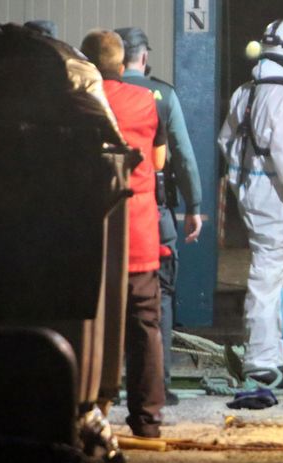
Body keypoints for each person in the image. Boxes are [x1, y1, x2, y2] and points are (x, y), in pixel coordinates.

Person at [217, 18, 283, 386]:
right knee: (269, 279)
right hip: (278, 200)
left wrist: (247, 179)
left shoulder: (246, 91)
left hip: (255, 193)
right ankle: (261, 362)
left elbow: (225, 142)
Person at [80, 29, 167, 437]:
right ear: (123, 63)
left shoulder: (77, 104)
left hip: (90, 233)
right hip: (139, 233)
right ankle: (148, 421)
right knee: (145, 326)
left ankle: (86, 416)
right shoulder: (148, 102)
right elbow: (159, 158)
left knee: (84, 323)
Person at [116, 26, 203, 406]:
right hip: (154, 214)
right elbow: (182, 155)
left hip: (106, 213)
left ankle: (106, 385)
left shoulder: (96, 94)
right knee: (159, 297)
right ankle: (159, 385)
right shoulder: (163, 95)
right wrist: (194, 205)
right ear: (144, 57)